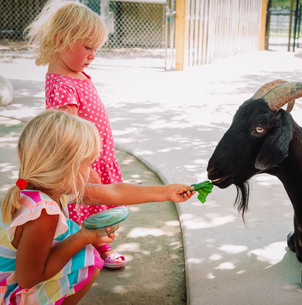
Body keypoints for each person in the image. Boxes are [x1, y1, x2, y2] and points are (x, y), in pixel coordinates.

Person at [0, 110, 194, 304]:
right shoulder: (43, 213)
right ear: (66, 168)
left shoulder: (44, 189)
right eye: (88, 164)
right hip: (9, 292)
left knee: (82, 250)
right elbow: (29, 278)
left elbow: (114, 192)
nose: (91, 172)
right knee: (88, 260)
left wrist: (166, 192)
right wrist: (83, 237)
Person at [26, 0, 126, 268]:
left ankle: (97, 242)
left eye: (96, 48)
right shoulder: (61, 84)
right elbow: (69, 138)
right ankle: (99, 247)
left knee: (101, 206)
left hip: (99, 156)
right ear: (61, 40)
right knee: (92, 205)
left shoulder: (76, 73)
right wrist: (86, 169)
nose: (93, 55)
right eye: (88, 47)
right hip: (85, 162)